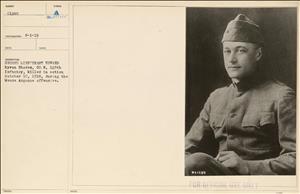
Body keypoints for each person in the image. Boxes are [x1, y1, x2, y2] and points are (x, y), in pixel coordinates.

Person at [185, 14, 296, 175]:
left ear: (258, 54)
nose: (231, 59)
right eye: (227, 51)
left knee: (197, 162)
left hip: (259, 185)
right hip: (219, 181)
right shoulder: (216, 98)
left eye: (241, 50)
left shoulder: (281, 96)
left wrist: (247, 166)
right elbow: (185, 150)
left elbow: (295, 158)